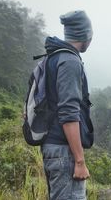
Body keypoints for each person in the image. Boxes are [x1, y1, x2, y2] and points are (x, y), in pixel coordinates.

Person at [41, 10, 94, 200]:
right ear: (86, 35)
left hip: (52, 147)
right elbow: (69, 112)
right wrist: (79, 160)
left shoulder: (51, 57)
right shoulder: (70, 61)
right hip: (64, 151)